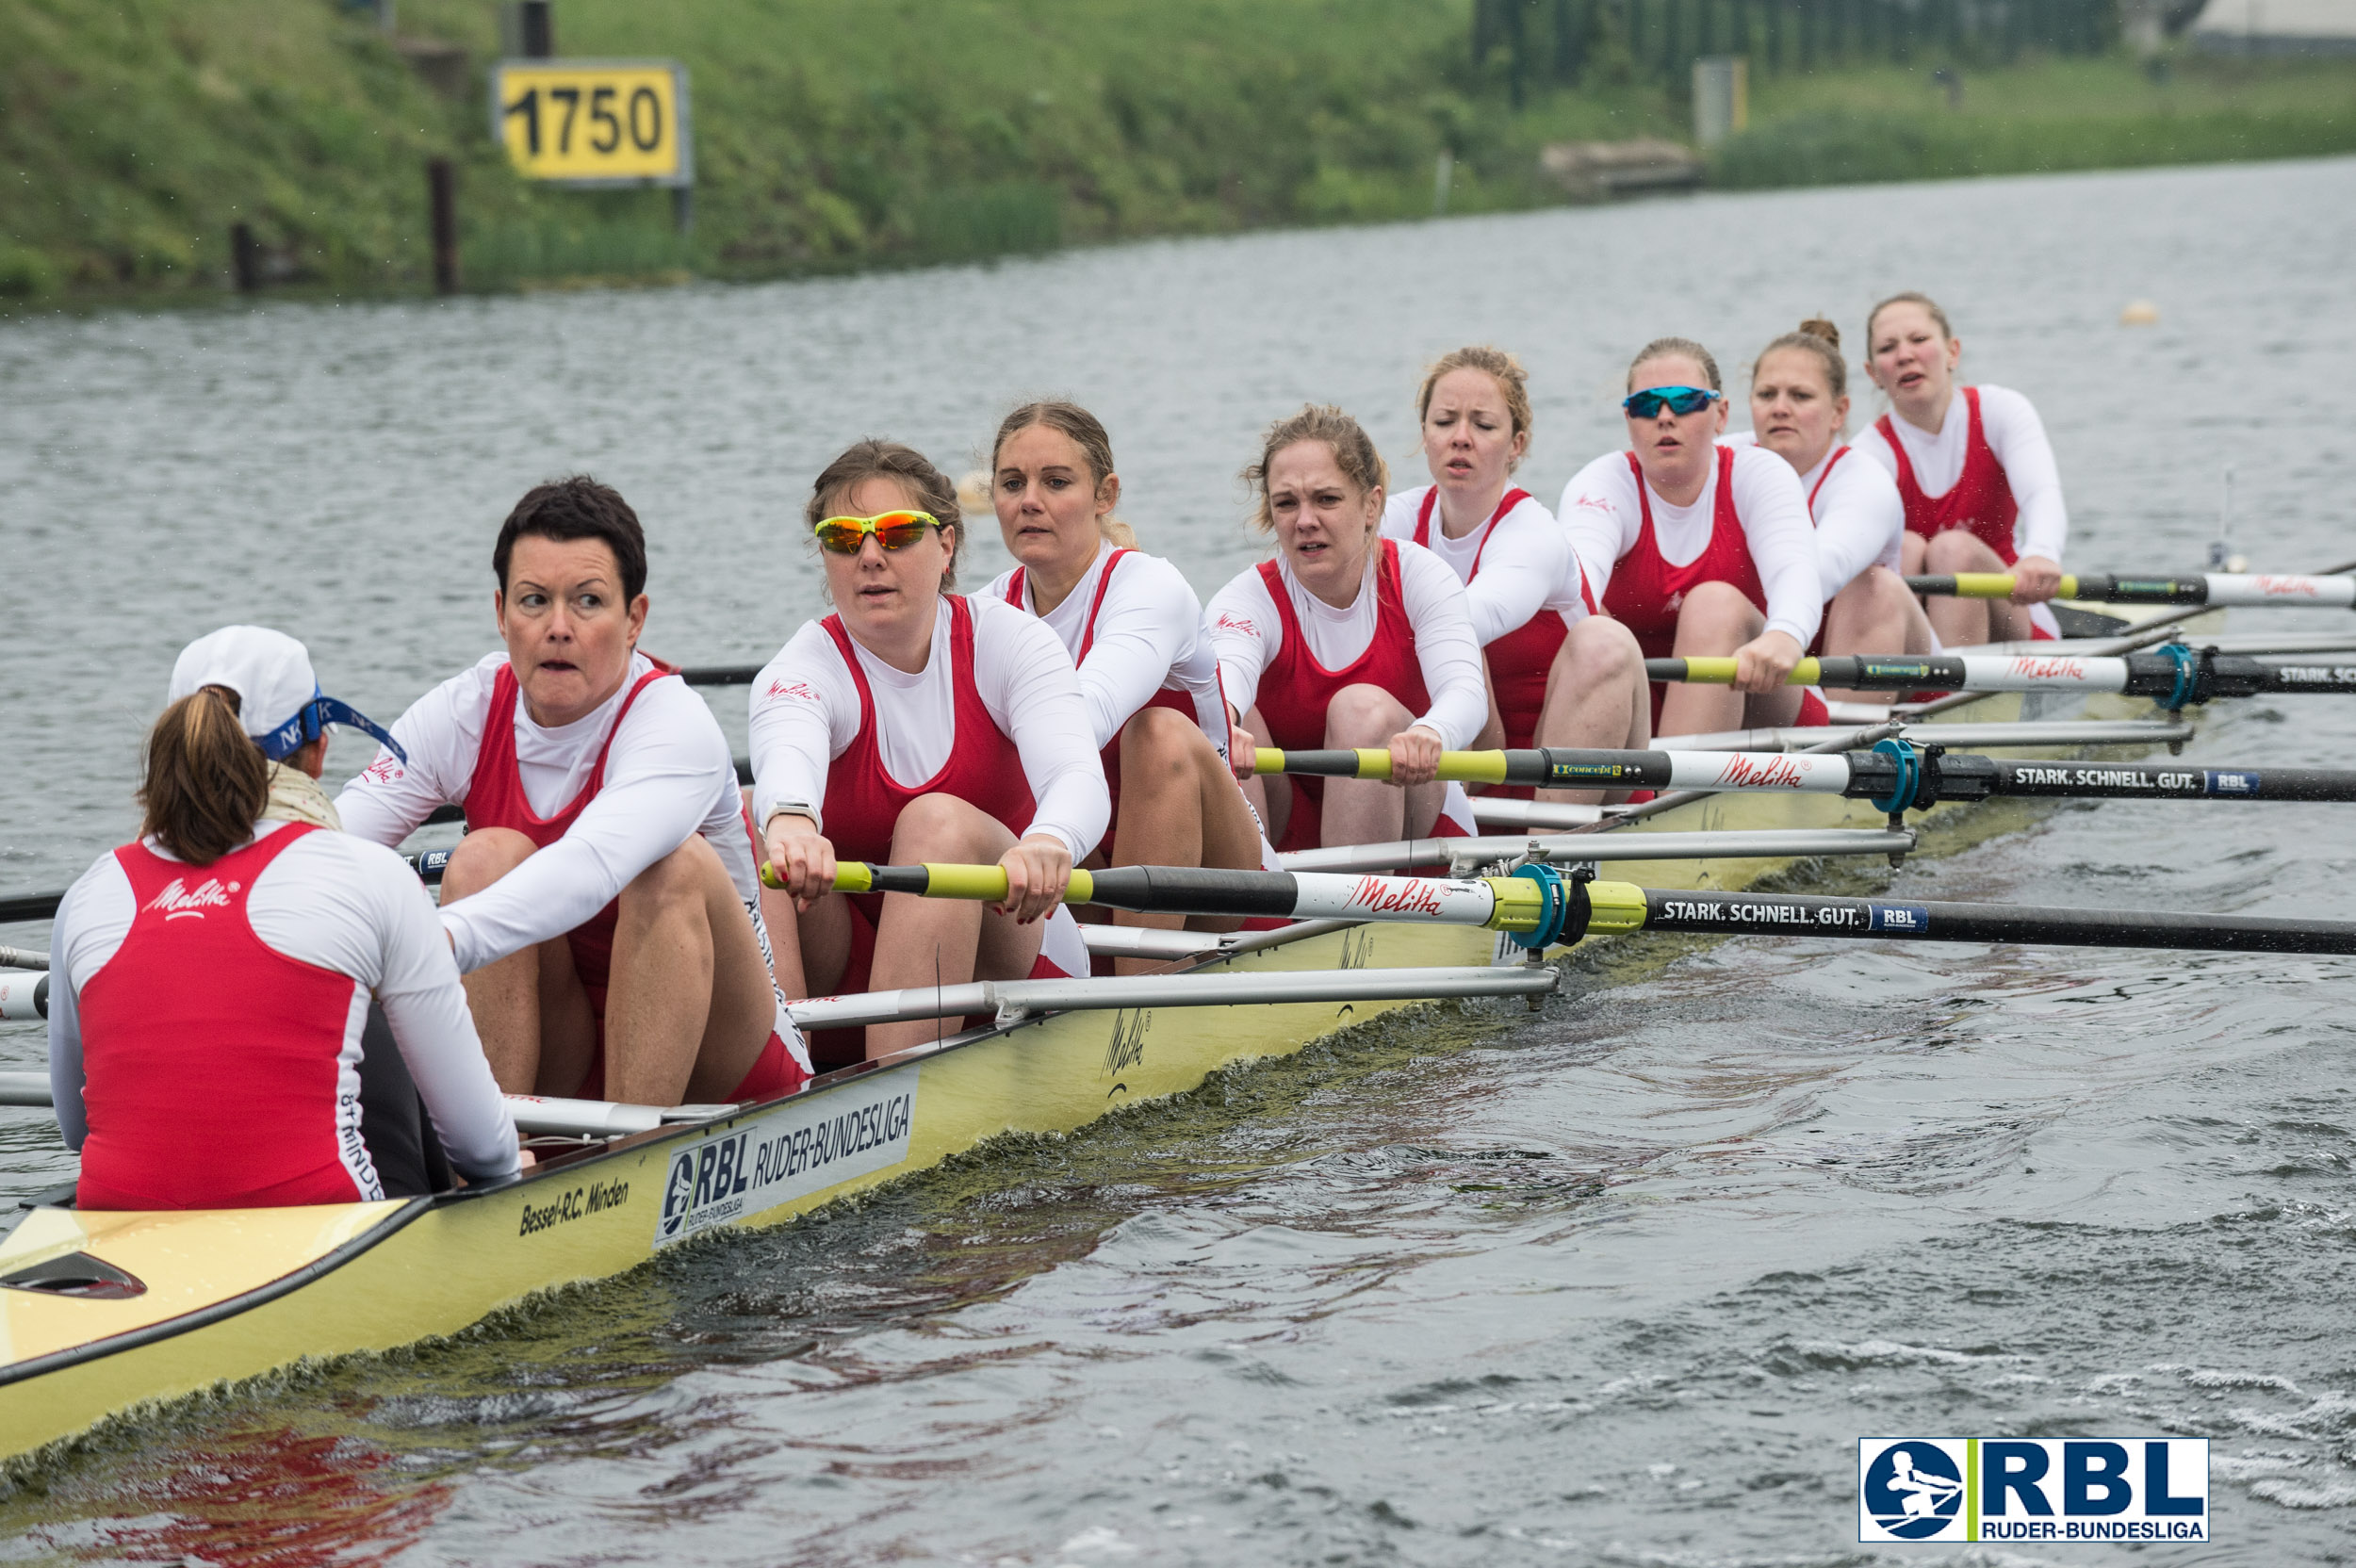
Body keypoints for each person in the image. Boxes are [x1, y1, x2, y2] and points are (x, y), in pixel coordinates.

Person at [338, 478, 810, 1108]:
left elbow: (589, 869)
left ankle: (629, 1165)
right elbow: (323, 848)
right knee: (481, 859)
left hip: (723, 1057)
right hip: (565, 1047)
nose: (557, 627)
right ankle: (493, 1164)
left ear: (634, 619)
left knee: (670, 866)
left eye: (587, 602)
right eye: (535, 602)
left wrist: (429, 947)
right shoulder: (462, 711)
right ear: (501, 613)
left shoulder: (674, 726)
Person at [49, 628, 520, 1209]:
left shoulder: (91, 892)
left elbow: (76, 1127)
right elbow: (484, 1148)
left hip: (117, 1226)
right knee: (371, 1013)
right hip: (330, 1231)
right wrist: (512, 1166)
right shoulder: (372, 876)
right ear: (319, 751)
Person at [752, 439, 1107, 1063]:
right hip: (856, 968)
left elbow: (1077, 773)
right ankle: (789, 1084)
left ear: (945, 546)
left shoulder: (1008, 641)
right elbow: (787, 746)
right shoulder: (804, 666)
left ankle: (893, 1096)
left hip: (1016, 952)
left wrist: (1050, 841)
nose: (869, 556)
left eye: (894, 533)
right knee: (750, 817)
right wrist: (789, 821)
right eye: (843, 537)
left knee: (935, 822)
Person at [982, 401, 1269, 969]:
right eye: (1012, 483)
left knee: (1156, 733)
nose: (1029, 501)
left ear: (1105, 495)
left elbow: (1085, 714)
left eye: (1056, 482)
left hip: (1224, 889)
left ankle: (1139, 1001)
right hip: (1079, 867)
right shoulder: (988, 609)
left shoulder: (1148, 587)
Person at [1208, 404, 1484, 850]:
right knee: (1222, 723)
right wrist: (1224, 723)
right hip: (1290, 820)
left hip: (1417, 826)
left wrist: (1430, 734)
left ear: (1371, 505)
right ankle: (1256, 900)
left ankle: (1350, 908)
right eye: (1286, 503)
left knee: (1361, 711)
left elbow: (1466, 695)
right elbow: (1228, 671)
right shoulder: (1246, 599)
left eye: (1326, 499)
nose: (1304, 521)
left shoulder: (1418, 576)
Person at [1379, 347, 1650, 800]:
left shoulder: (1532, 533)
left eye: (1483, 425)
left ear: (1517, 444)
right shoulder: (1397, 518)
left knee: (1604, 639)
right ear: (1424, 434)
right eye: (1444, 422)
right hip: (1463, 770)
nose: (1460, 438)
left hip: (1571, 778)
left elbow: (1469, 616)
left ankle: (1555, 853)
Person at [1559, 336, 1825, 737]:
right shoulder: (1602, 484)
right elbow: (1576, 586)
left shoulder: (1759, 474)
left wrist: (1786, 633)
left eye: (1683, 400)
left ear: (1721, 415)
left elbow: (1796, 571)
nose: (1665, 416)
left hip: (1762, 698)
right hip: (1639, 710)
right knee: (1589, 620)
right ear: (1629, 421)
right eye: (1646, 406)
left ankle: (1669, 795)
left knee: (1713, 605)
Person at [1737, 318, 1937, 705]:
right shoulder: (1725, 460)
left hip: (1899, 684)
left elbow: (1816, 572)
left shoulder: (1864, 482)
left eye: (1800, 396)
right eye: (1766, 394)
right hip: (1785, 673)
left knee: (1873, 585)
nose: (1780, 408)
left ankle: (1856, 757)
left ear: (1838, 412)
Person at [1856, 291, 2070, 646]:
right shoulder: (1868, 454)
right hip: (1915, 635)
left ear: (1952, 351)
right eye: (1888, 348)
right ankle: (1925, 688)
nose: (1905, 355)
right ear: (1873, 373)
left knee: (1952, 550)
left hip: (2013, 610)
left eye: (1919, 340)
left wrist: (2042, 552)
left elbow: (2041, 493)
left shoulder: (2001, 411)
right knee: (1904, 548)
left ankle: (1946, 694)